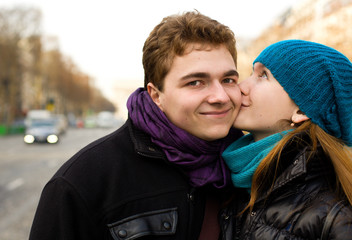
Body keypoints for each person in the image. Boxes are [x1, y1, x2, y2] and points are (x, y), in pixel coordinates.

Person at [29, 11, 243, 240]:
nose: (220, 97)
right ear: (156, 95)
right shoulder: (81, 182)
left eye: (228, 80)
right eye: (196, 82)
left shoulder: (253, 161)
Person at [220, 39, 352, 240]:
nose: (241, 86)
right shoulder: (229, 179)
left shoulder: (336, 217)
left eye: (264, 76)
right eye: (251, 73)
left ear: (301, 109)